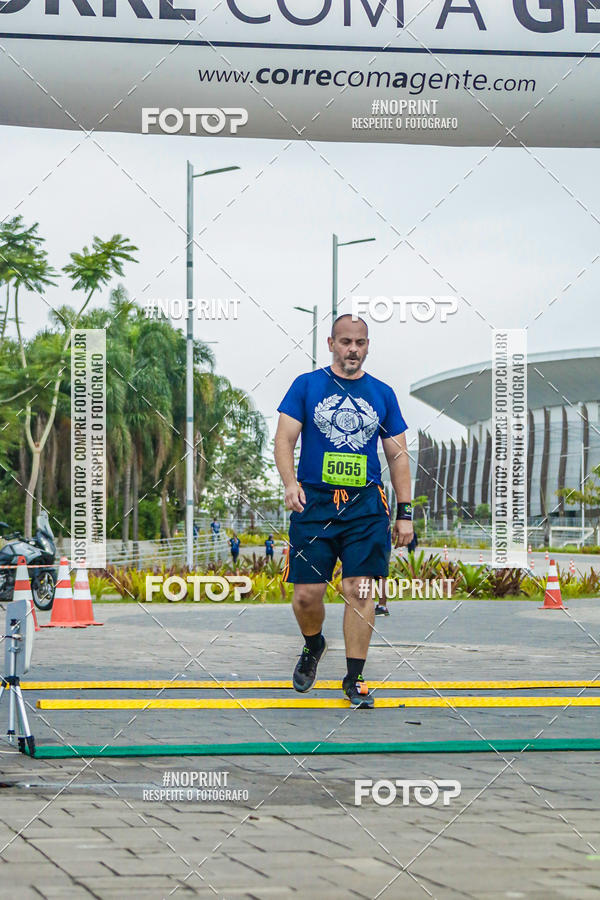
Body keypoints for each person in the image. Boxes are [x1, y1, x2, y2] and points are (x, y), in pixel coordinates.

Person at [274, 314, 413, 709]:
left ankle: (355, 677)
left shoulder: (382, 393)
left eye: (360, 342)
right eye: (346, 342)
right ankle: (313, 644)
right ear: (331, 344)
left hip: (365, 506)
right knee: (306, 596)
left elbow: (398, 455)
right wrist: (290, 483)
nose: (353, 349)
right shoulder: (306, 386)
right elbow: (284, 440)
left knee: (359, 589)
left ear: (368, 346)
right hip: (314, 503)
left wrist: (405, 511)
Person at [375, 529, 419, 616]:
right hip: (383, 542)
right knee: (381, 575)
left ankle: (363, 605)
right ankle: (382, 606)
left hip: (372, 539)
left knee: (366, 574)